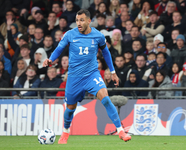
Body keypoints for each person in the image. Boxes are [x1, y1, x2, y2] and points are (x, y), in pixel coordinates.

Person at [43, 9, 131, 143]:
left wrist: (113, 72)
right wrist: (50, 59)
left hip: (91, 75)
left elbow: (106, 53)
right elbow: (59, 48)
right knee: (70, 108)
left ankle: (120, 131)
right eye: (77, 20)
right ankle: (65, 132)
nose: (78, 23)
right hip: (74, 78)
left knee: (106, 99)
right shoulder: (69, 35)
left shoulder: (98, 36)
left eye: (82, 20)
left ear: (89, 21)